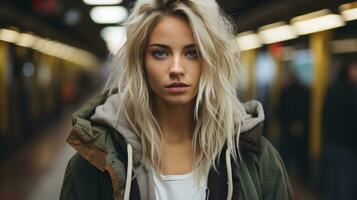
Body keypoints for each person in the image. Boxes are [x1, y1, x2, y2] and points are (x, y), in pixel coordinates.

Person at [60, 0, 293, 199]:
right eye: (160, 53)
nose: (176, 68)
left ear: (211, 60)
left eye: (193, 53)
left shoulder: (257, 160)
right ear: (141, 62)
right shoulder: (94, 162)